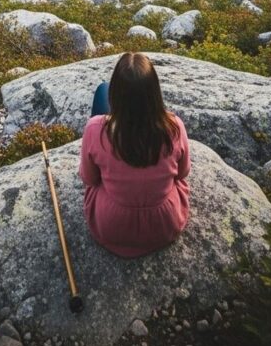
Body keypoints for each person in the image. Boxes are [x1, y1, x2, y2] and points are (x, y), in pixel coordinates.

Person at [78, 52, 191, 257]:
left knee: (101, 90)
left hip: (113, 225)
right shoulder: (174, 127)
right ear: (155, 93)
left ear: (117, 95)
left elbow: (89, 178)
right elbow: (182, 173)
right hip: (164, 224)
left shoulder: (95, 129)